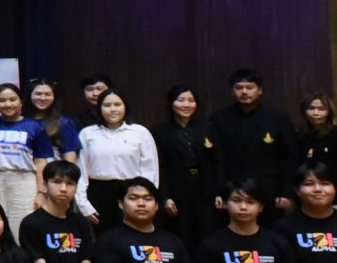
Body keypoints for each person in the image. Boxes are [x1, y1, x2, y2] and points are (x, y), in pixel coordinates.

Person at [211, 69, 296, 214]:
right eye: (239, 87)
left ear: (260, 90)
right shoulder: (218, 119)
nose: (244, 92)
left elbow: (290, 157)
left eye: (250, 87)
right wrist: (219, 191)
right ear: (232, 91)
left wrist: (286, 192)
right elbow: (216, 159)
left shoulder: (278, 117)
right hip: (232, 191)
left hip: (270, 191)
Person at [76, 89, 160, 226]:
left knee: (133, 233)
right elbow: (81, 172)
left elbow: (150, 169)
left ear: (125, 106)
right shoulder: (87, 133)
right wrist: (83, 204)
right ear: (99, 108)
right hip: (98, 192)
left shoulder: (140, 132)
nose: (113, 109)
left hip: (132, 192)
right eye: (107, 105)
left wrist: (147, 198)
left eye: (117, 104)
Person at [0, 83, 53, 232]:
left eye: (12, 99)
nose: (8, 104)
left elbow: (41, 162)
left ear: (21, 101)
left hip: (24, 181)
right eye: (2, 100)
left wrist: (41, 192)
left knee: (22, 225)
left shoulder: (34, 126)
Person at [155, 85, 216, 247]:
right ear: (171, 103)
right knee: (182, 234)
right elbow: (160, 167)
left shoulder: (208, 127)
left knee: (206, 232)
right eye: (181, 100)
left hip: (205, 190)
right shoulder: (159, 131)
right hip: (177, 190)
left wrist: (219, 192)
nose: (186, 104)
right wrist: (165, 197)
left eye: (191, 100)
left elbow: (218, 160)